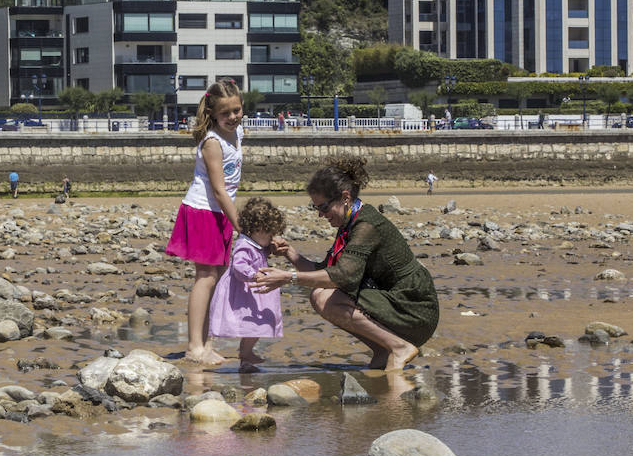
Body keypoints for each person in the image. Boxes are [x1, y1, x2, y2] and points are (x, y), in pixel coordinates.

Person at [253, 156, 439, 371]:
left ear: (345, 197)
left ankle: (398, 347)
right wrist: (290, 254)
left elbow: (342, 276)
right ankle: (383, 349)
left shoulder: (365, 225)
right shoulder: (350, 221)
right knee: (320, 294)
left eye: (323, 207)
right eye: (316, 209)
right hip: (394, 300)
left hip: (415, 306)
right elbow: (326, 271)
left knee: (325, 298)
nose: (321, 215)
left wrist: (288, 277)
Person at [165, 79, 244, 365]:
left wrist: (231, 219)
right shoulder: (212, 142)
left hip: (220, 213)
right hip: (204, 211)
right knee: (206, 277)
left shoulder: (238, 132)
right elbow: (219, 189)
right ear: (213, 114)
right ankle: (194, 346)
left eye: (237, 110)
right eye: (226, 114)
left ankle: (209, 342)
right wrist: (240, 225)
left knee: (220, 277)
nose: (233, 117)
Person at [209, 198, 286, 371]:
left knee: (258, 323)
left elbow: (259, 254)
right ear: (257, 230)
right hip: (244, 291)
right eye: (269, 234)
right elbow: (239, 265)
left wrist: (270, 249)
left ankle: (246, 356)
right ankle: (246, 353)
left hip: (253, 291)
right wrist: (254, 274)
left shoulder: (255, 243)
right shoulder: (244, 244)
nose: (271, 237)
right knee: (254, 323)